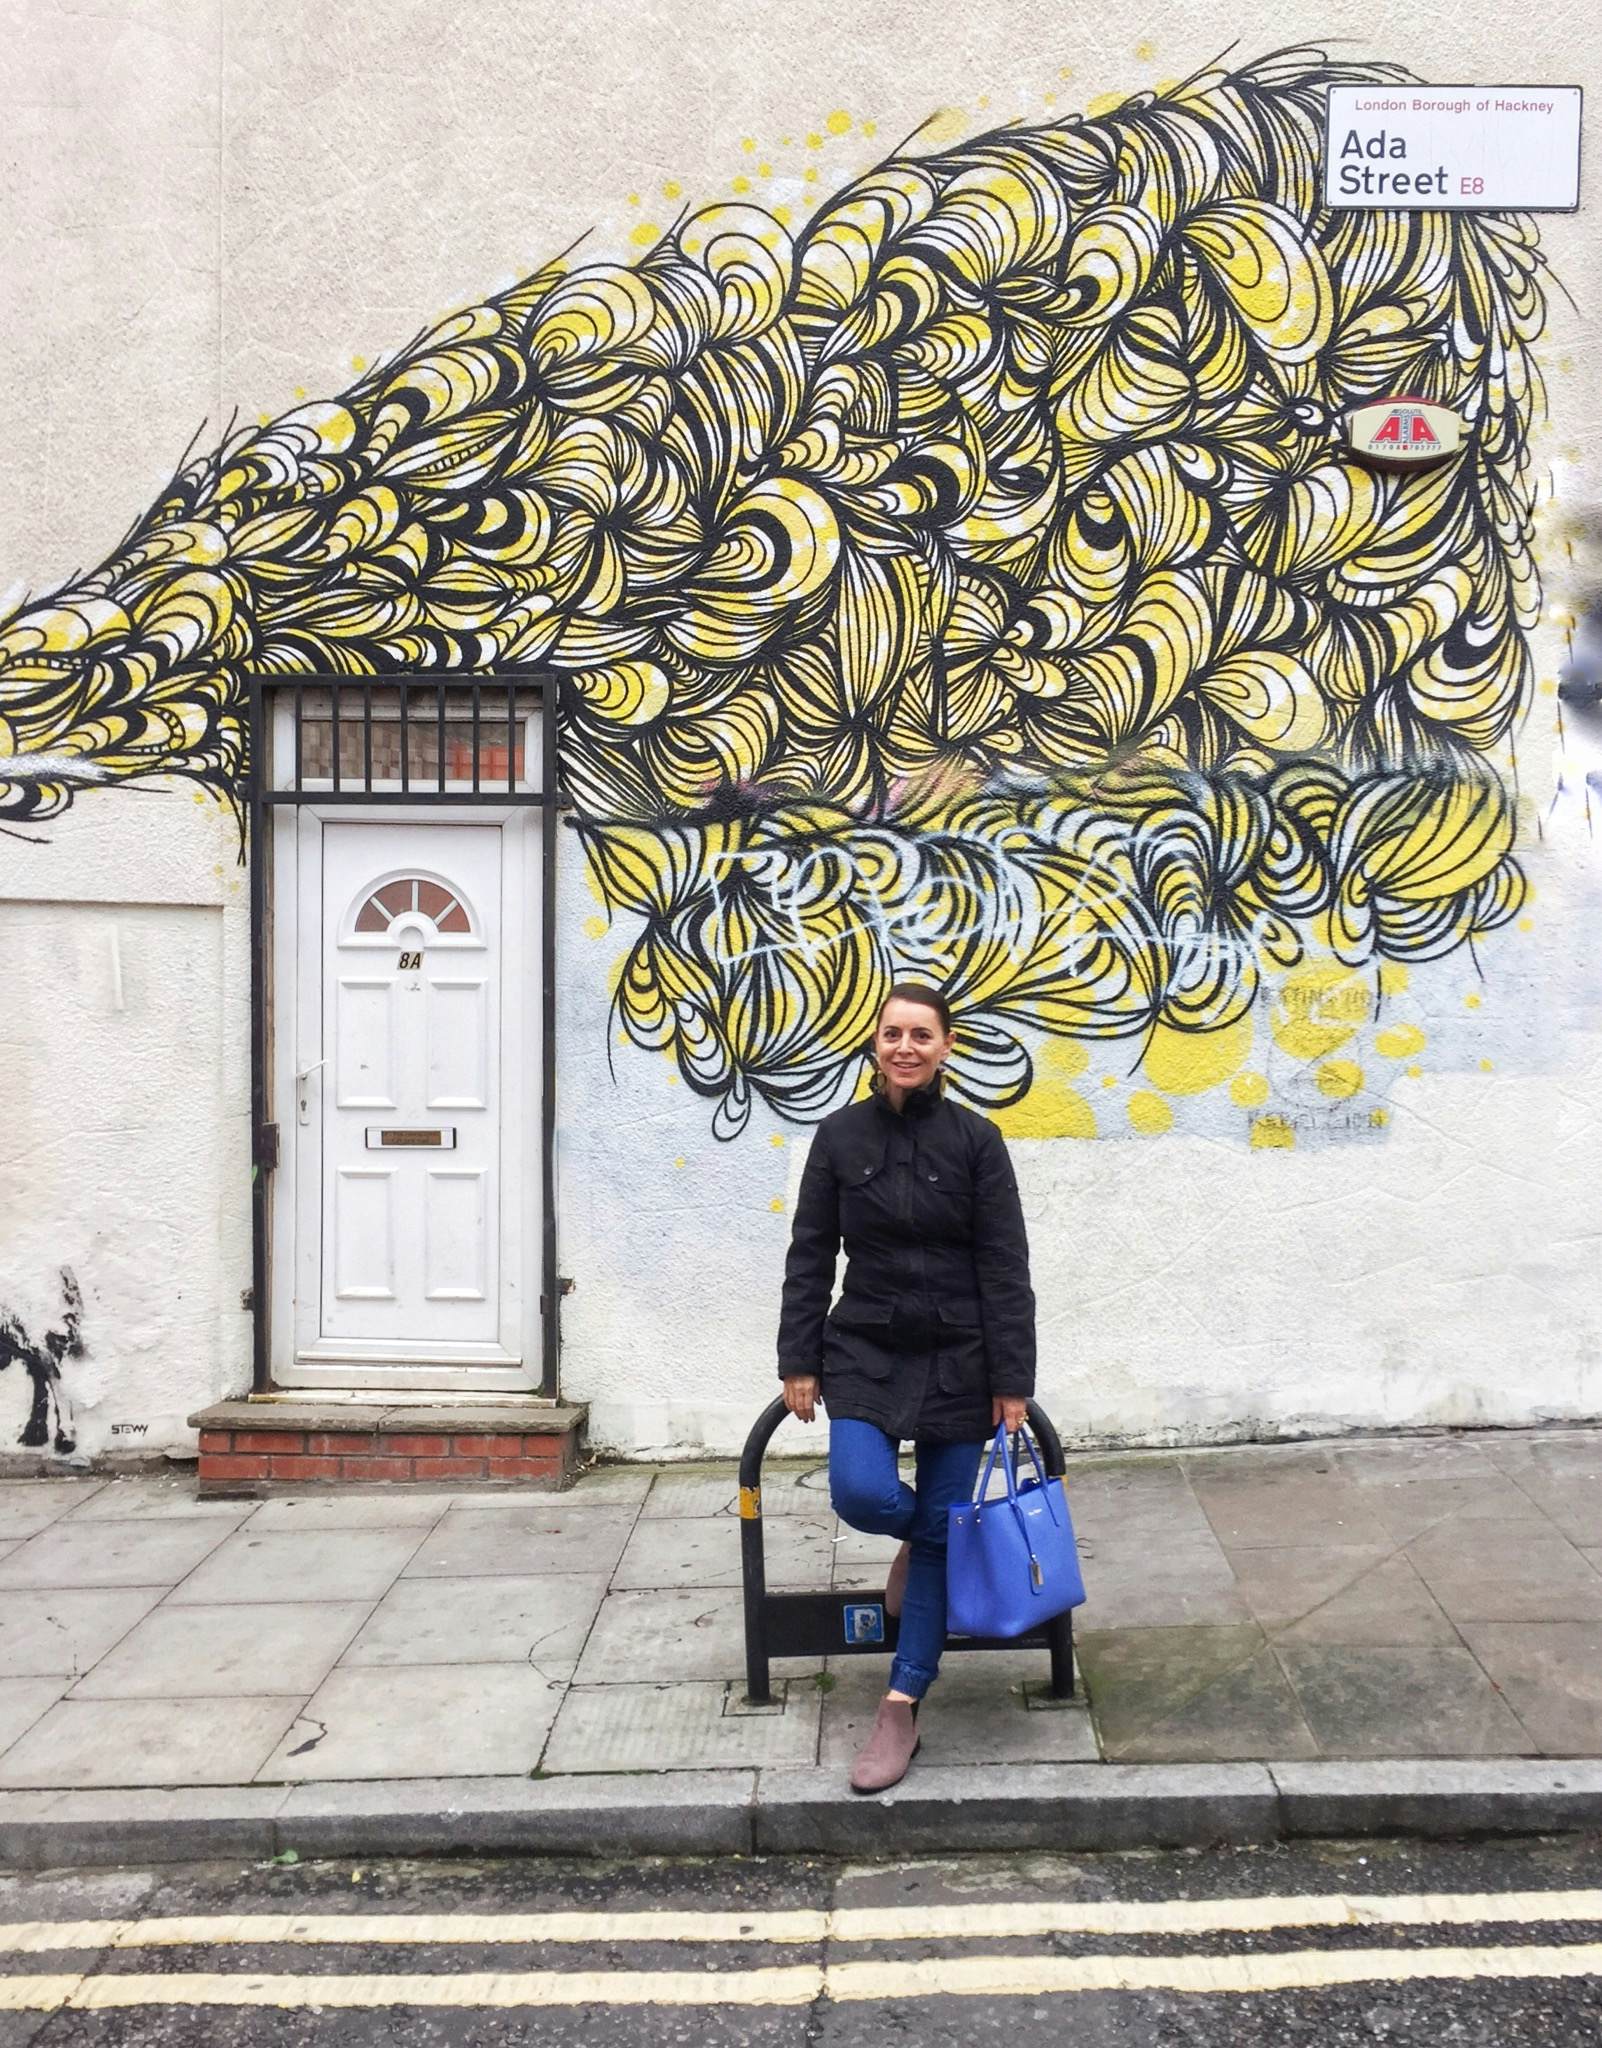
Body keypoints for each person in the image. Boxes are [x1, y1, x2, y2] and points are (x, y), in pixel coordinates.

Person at [776, 982, 1036, 1792]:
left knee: (945, 1527)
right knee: (864, 1493)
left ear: (946, 1046)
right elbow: (810, 1252)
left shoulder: (978, 1141)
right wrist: (799, 1358)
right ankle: (925, 1537)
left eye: (922, 1034)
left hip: (962, 1356)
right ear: (875, 1044)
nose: (906, 1047)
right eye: (893, 1033)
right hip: (866, 1349)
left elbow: (1005, 1265)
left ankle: (901, 1704)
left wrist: (1012, 1380)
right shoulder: (839, 1136)